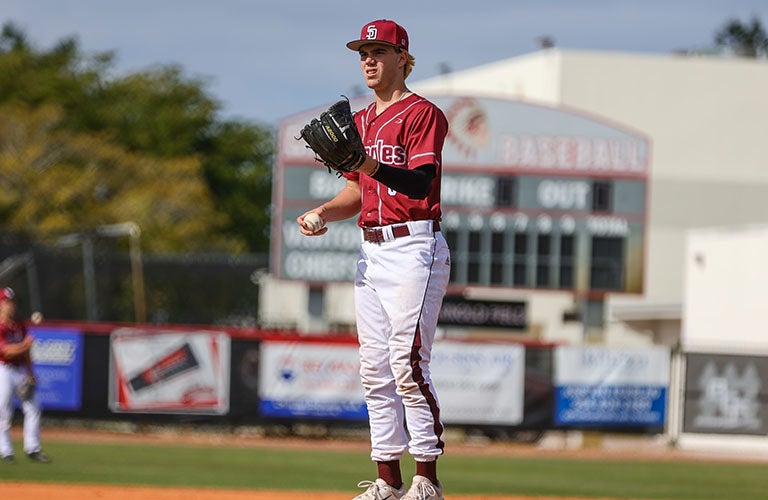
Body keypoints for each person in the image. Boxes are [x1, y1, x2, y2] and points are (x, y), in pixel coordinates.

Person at [297, 19, 450, 500]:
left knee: (408, 364)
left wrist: (366, 163)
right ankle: (388, 479)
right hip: (371, 249)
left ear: (403, 58)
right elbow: (357, 192)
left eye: (379, 51)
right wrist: (324, 212)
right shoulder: (359, 121)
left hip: (414, 247)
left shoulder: (423, 114)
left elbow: (420, 182)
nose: (368, 60)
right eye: (363, 53)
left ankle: (426, 478)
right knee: (373, 370)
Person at [0, 287, 50, 464]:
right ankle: (5, 451)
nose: (11, 305)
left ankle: (33, 448)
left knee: (34, 407)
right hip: (4, 370)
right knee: (3, 411)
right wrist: (25, 345)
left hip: (20, 369)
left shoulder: (19, 325)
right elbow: (6, 351)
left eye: (12, 302)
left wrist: (30, 372)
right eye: (7, 302)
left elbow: (26, 353)